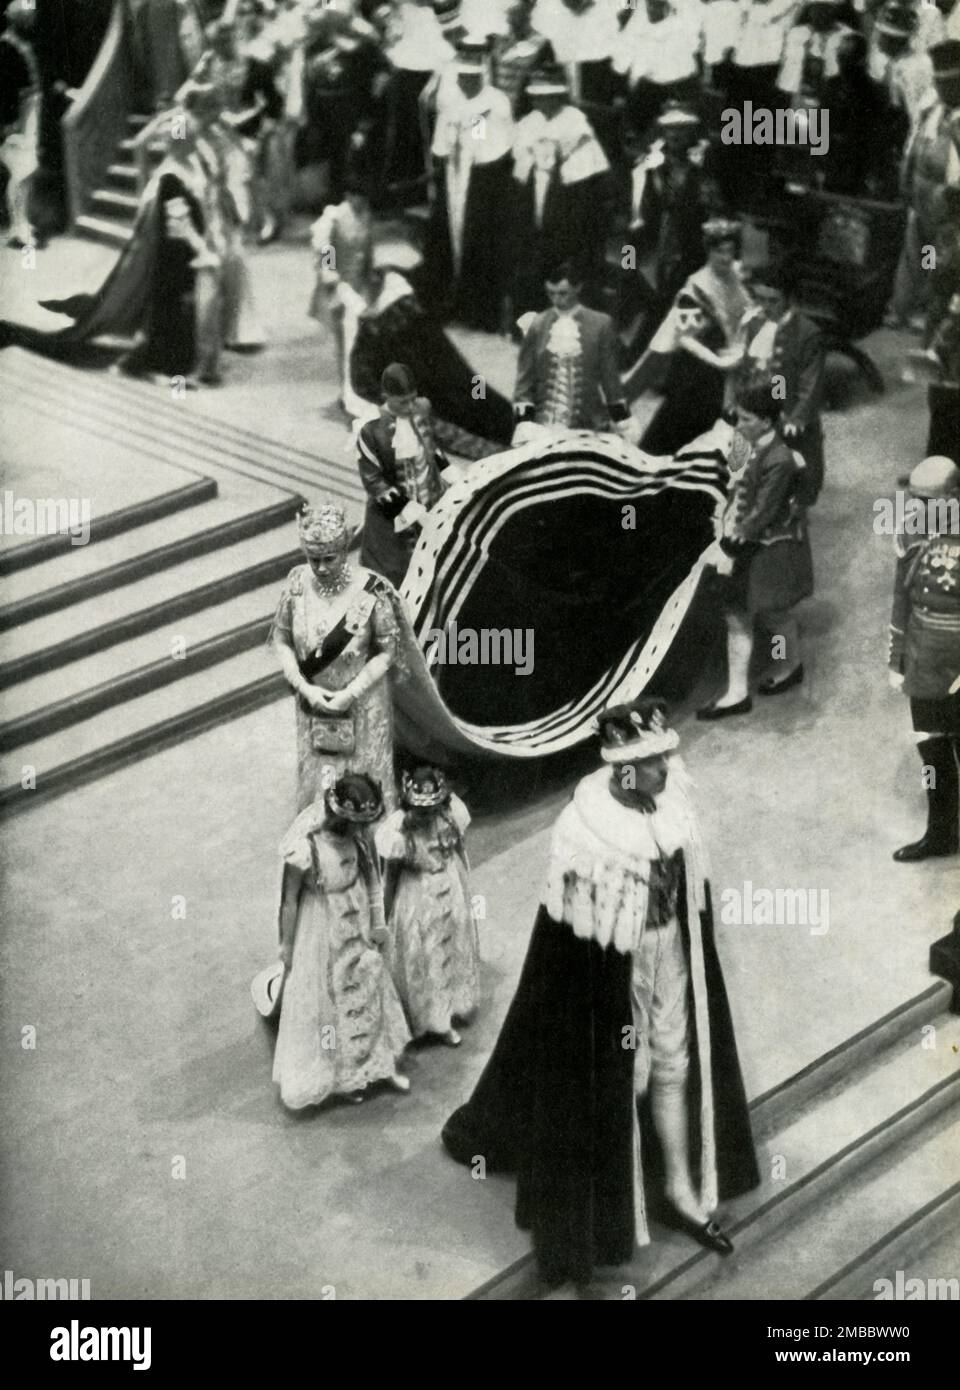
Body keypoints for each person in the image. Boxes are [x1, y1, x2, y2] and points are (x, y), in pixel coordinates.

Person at [441, 697, 759, 1288]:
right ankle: (597, 1218)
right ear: (624, 767)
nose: (669, 767)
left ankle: (680, 1190)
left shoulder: (675, 806)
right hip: (616, 976)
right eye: (656, 759)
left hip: (671, 958)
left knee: (675, 1062)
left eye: (667, 755)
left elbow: (693, 895)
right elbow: (563, 954)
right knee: (615, 1077)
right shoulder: (586, 832)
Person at [268, 772, 412, 1108]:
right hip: (323, 929)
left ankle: (379, 1064)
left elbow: (374, 881)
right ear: (336, 816)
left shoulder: (359, 841)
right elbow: (288, 901)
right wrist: (286, 947)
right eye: (350, 824)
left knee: (369, 988)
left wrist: (378, 923)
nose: (357, 832)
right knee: (330, 1003)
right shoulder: (305, 850)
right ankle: (344, 1076)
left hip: (358, 919)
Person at [269, 501, 406, 813]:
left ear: (345, 550)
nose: (319, 567)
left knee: (363, 780)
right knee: (322, 776)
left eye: (328, 558)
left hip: (363, 703)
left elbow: (388, 652)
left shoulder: (372, 591)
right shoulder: (296, 583)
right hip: (314, 703)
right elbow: (281, 640)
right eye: (312, 558)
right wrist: (305, 689)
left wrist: (350, 694)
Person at [697, 378, 814, 719]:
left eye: (747, 418)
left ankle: (782, 670)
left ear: (766, 421)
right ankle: (750, 686)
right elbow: (731, 479)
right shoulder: (742, 441)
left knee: (771, 614)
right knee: (740, 615)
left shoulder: (779, 458)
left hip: (763, 546)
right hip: (740, 537)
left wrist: (733, 542)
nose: (740, 423)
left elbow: (764, 509)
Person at [348, 238, 515, 457]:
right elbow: (362, 379)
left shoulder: (394, 300)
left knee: (469, 392)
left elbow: (362, 378)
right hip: (417, 377)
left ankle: (512, 426)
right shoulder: (375, 314)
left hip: (426, 362)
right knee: (462, 399)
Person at [888, 456, 960, 862]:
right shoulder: (911, 531)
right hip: (923, 661)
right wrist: (897, 659)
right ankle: (941, 834)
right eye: (914, 498)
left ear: (953, 496)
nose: (918, 508)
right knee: (931, 754)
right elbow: (902, 598)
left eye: (929, 500)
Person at [376, 766, 479, 1046]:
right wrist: (383, 915)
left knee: (451, 947)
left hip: (449, 883)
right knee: (422, 954)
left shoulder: (450, 817)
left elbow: (460, 851)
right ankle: (425, 1019)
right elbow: (390, 877)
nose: (426, 815)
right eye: (420, 809)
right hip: (416, 897)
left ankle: (449, 1012)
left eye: (432, 808)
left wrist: (466, 887)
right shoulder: (398, 831)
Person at [635, 218, 750, 455]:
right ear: (709, 251)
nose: (726, 257)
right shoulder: (696, 287)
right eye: (720, 252)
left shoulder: (734, 280)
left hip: (730, 368)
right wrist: (718, 362)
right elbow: (685, 337)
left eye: (730, 251)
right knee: (678, 428)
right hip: (697, 371)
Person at [509, 62, 610, 315]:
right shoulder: (529, 123)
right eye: (537, 97)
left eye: (548, 96)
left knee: (565, 255)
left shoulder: (575, 124)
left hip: (568, 202)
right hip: (534, 197)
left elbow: (586, 187)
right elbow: (520, 168)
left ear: (559, 95)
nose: (542, 102)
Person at [424, 51, 514, 331]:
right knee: (446, 238)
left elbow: (485, 148)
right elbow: (442, 142)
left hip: (480, 179)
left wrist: (469, 132)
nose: (467, 83)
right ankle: (448, 301)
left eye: (472, 77)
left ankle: (478, 310)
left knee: (479, 240)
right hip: (453, 174)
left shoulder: (493, 102)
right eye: (462, 77)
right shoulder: (451, 100)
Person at [513, 259, 636, 437]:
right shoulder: (537, 324)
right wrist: (524, 424)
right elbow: (524, 383)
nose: (556, 300)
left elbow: (611, 381)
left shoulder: (600, 324)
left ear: (577, 288)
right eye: (551, 293)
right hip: (542, 427)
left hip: (587, 426)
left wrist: (623, 421)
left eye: (563, 293)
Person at [356, 363, 453, 588]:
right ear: (385, 397)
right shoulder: (370, 430)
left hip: (430, 499)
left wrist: (449, 471)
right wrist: (413, 512)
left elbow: (429, 446)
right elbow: (375, 483)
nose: (411, 407)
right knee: (393, 577)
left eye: (413, 399)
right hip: (392, 520)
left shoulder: (421, 408)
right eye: (403, 402)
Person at [888, 39, 960, 330]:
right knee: (916, 250)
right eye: (939, 82)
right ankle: (903, 307)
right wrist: (906, 179)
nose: (943, 90)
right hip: (921, 192)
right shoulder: (931, 106)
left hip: (948, 200)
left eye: (950, 84)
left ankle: (929, 309)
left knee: (938, 257)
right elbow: (913, 142)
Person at [741, 260, 826, 506]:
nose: (765, 307)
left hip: (788, 411)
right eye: (760, 299)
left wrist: (798, 416)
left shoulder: (807, 332)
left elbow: (811, 382)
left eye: (773, 301)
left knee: (799, 470)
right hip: (757, 405)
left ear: (789, 299)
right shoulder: (754, 322)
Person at [308, 176, 374, 404]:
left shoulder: (366, 214)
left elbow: (367, 250)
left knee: (359, 342)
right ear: (348, 196)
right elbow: (325, 248)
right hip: (339, 289)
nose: (362, 203)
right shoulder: (333, 218)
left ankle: (356, 390)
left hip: (359, 289)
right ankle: (348, 392)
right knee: (345, 342)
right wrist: (331, 278)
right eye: (358, 198)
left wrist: (370, 281)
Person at [0, 0, 40, 250]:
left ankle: (21, 221)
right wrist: (9, 123)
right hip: (15, 120)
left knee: (27, 172)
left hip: (29, 112)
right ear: (17, 19)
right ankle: (18, 226)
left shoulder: (20, 44)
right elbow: (3, 91)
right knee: (21, 172)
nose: (31, 20)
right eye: (27, 16)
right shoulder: (5, 47)